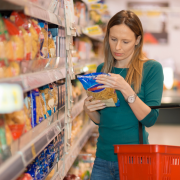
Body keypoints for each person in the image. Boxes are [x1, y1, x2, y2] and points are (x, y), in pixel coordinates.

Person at [84, 10, 164, 180]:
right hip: (103, 159)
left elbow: (150, 119)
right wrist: (90, 110)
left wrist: (126, 89)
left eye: (125, 41)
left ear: (138, 40)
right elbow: (102, 120)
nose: (117, 47)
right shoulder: (102, 70)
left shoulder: (151, 69)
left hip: (135, 160)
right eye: (113, 39)